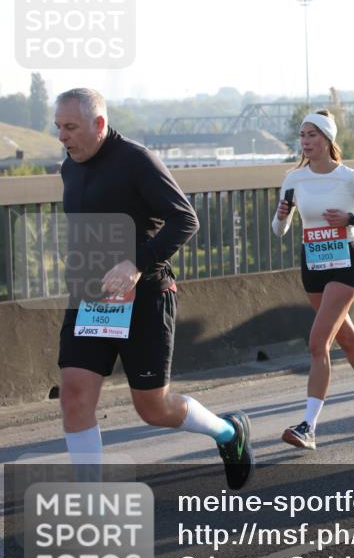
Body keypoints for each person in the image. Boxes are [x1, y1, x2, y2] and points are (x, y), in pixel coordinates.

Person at [54, 88, 253, 490]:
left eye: (71, 127)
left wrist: (136, 263)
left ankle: (229, 432)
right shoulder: (70, 166)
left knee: (153, 407)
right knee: (74, 394)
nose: (63, 136)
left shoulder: (136, 160)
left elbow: (185, 219)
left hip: (145, 297)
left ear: (98, 124)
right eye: (58, 127)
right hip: (92, 297)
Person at [273, 110, 354, 447]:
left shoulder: (351, 178)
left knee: (318, 343)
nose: (306, 142)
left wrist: (350, 217)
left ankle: (308, 426)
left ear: (328, 139)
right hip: (313, 264)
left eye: (313, 135)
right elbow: (279, 229)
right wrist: (283, 217)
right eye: (302, 136)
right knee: (345, 339)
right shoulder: (294, 179)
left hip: (345, 264)